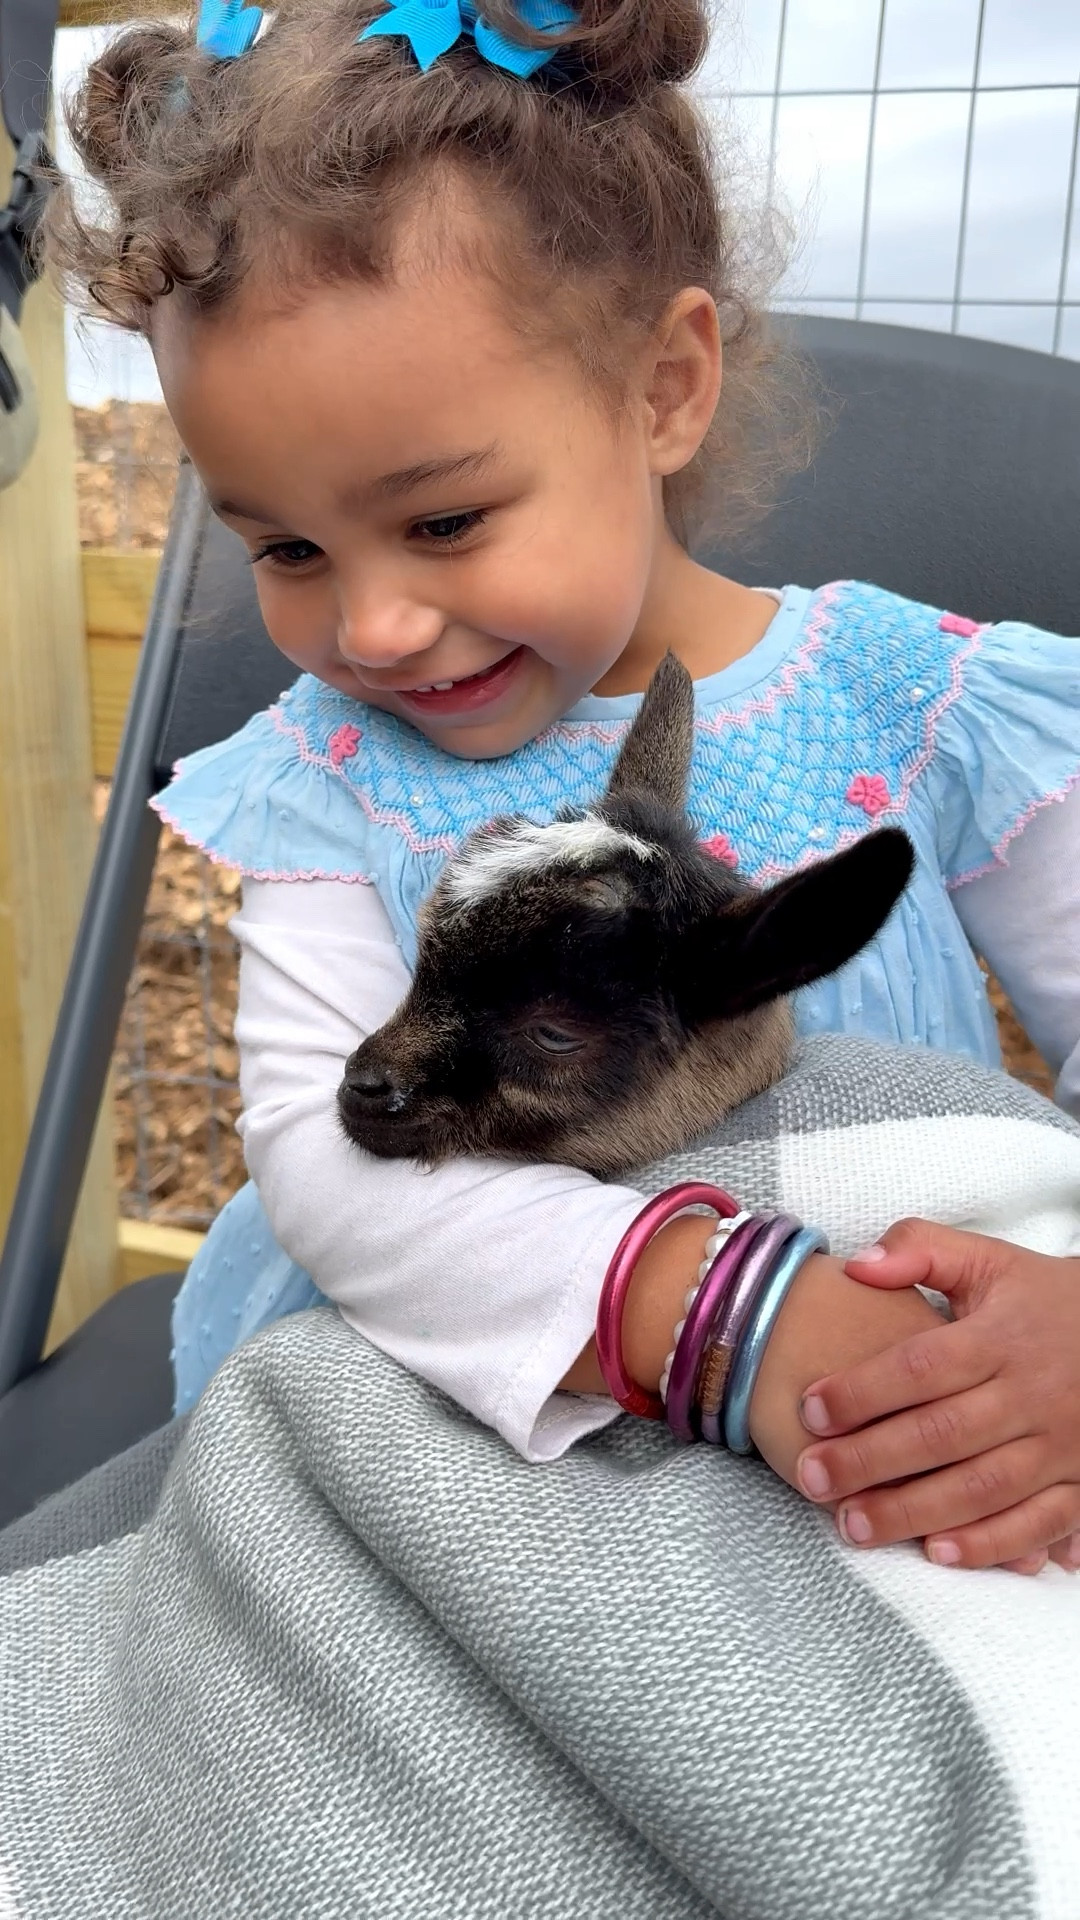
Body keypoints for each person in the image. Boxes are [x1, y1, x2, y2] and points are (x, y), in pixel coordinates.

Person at [48, 0, 1080, 1575]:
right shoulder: (341, 775)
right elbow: (328, 1160)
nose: (371, 626)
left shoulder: (921, 705)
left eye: (446, 521)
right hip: (448, 1436)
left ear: (665, 387)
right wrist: (719, 1320)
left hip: (896, 1428)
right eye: (287, 548)